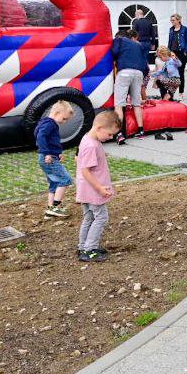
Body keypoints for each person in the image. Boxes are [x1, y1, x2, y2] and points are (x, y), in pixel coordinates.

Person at [76, 109, 121, 263]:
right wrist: (100, 189)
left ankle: (83, 246)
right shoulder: (92, 146)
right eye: (109, 134)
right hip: (93, 191)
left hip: (86, 190)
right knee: (101, 217)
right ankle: (89, 250)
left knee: (89, 217)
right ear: (99, 128)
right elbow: (86, 171)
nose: (111, 137)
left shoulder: (88, 140)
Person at [35, 100, 74, 219]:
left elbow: (52, 141)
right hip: (48, 158)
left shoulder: (44, 123)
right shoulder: (50, 124)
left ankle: (50, 210)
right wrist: (47, 153)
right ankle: (56, 206)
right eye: (64, 118)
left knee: (54, 183)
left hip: (50, 157)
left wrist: (58, 153)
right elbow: (40, 136)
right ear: (57, 113)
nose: (64, 121)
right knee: (65, 179)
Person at [110, 28, 148, 141]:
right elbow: (145, 65)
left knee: (119, 104)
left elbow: (114, 53)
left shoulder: (119, 40)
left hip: (125, 72)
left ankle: (119, 134)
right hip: (139, 73)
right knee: (136, 103)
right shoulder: (138, 45)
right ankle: (141, 131)